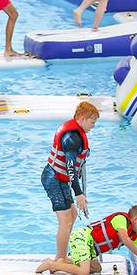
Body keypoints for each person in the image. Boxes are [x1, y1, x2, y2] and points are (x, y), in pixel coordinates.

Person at [35, 204, 137, 275]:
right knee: (84, 271)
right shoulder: (121, 219)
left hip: (90, 247)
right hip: (82, 238)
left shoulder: (133, 234)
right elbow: (125, 239)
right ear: (134, 220)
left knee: (96, 269)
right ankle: (51, 264)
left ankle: (63, 261)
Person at [41, 101, 99, 261]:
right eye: (92, 122)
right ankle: (59, 259)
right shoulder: (72, 138)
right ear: (81, 118)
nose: (93, 126)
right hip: (54, 178)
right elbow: (70, 168)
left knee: (72, 214)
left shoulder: (76, 132)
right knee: (66, 219)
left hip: (60, 178)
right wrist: (79, 194)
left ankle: (62, 256)